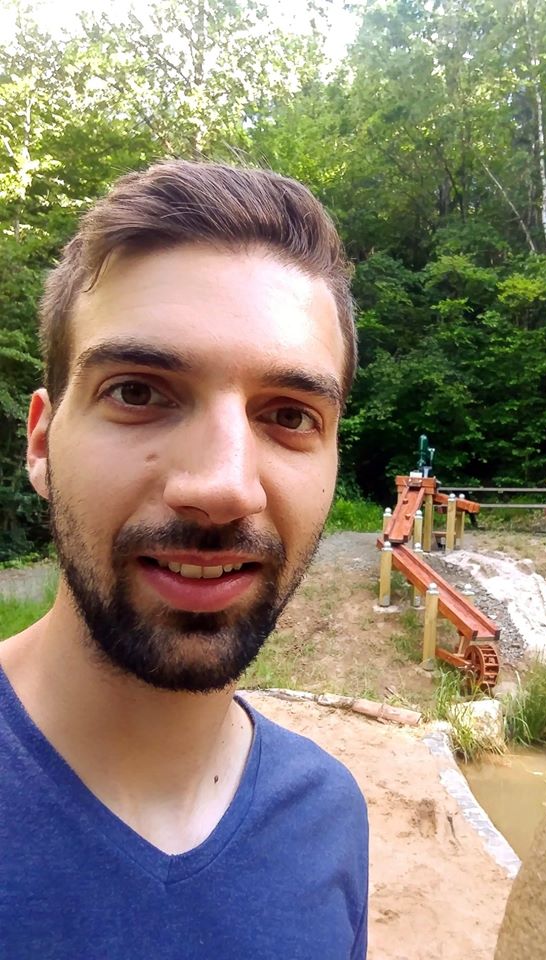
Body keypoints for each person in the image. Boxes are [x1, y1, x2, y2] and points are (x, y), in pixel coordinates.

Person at [0, 161, 368, 959]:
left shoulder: (329, 818)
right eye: (138, 392)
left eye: (289, 415)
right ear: (42, 441)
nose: (224, 487)